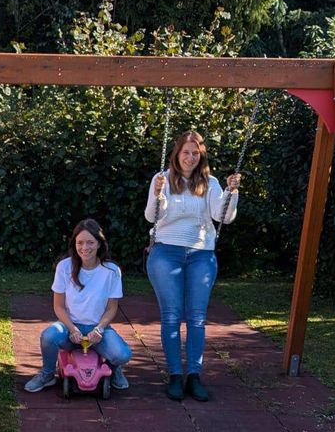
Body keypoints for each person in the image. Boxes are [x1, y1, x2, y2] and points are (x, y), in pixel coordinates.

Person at [144, 130, 241, 402]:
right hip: (166, 252)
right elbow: (152, 216)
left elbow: (223, 216)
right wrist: (158, 193)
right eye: (185, 152)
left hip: (201, 254)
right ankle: (175, 375)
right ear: (176, 154)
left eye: (195, 153)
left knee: (197, 317)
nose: (189, 157)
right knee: (172, 315)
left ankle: (194, 376)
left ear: (201, 156)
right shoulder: (161, 179)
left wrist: (232, 193)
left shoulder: (210, 183)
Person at [23, 219, 133, 393]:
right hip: (69, 327)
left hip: (97, 330)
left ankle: (114, 368)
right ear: (74, 244)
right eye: (80, 242)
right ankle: (47, 374)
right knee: (49, 336)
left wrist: (99, 329)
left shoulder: (111, 271)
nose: (84, 248)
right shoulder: (64, 267)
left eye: (90, 242)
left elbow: (112, 307)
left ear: (99, 244)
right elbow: (58, 306)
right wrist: (72, 329)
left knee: (123, 354)